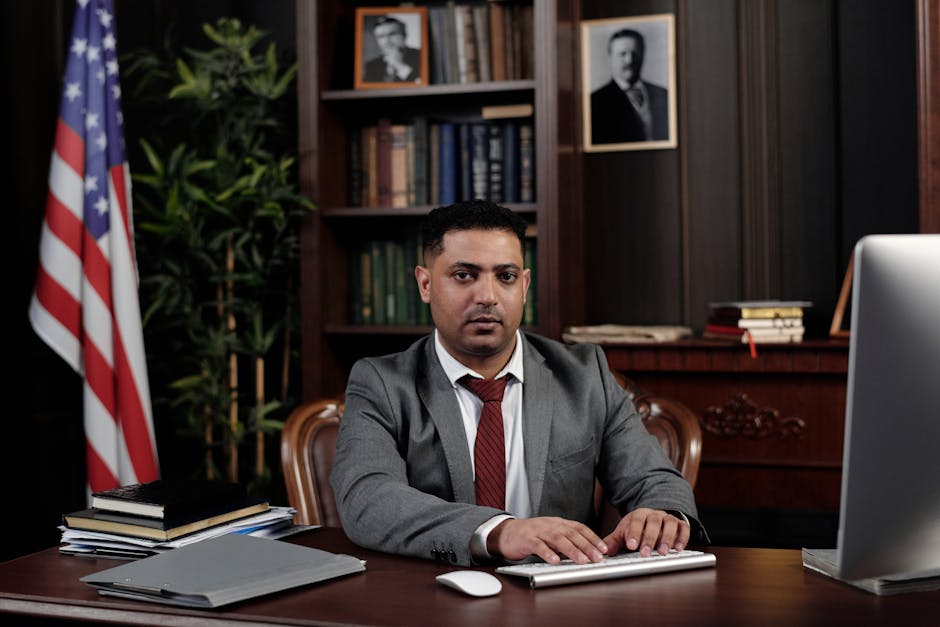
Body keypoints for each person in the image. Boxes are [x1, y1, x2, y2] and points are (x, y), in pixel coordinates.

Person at [330, 199, 707, 566]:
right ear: (425, 284)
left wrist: (660, 514)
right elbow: (368, 498)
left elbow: (654, 479)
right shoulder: (381, 382)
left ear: (524, 286)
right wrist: (497, 531)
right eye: (464, 275)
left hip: (561, 598)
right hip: (433, 598)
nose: (488, 297)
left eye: (505, 277)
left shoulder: (584, 374)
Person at [590, 28, 669, 144]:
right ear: (610, 57)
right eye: (622, 54)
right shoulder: (595, 102)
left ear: (643, 54)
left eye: (634, 53)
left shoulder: (664, 95)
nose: (629, 60)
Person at [362, 15, 421, 83]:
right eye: (381, 36)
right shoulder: (372, 65)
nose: (386, 41)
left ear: (404, 35)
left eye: (392, 34)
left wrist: (400, 66)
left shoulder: (421, 56)